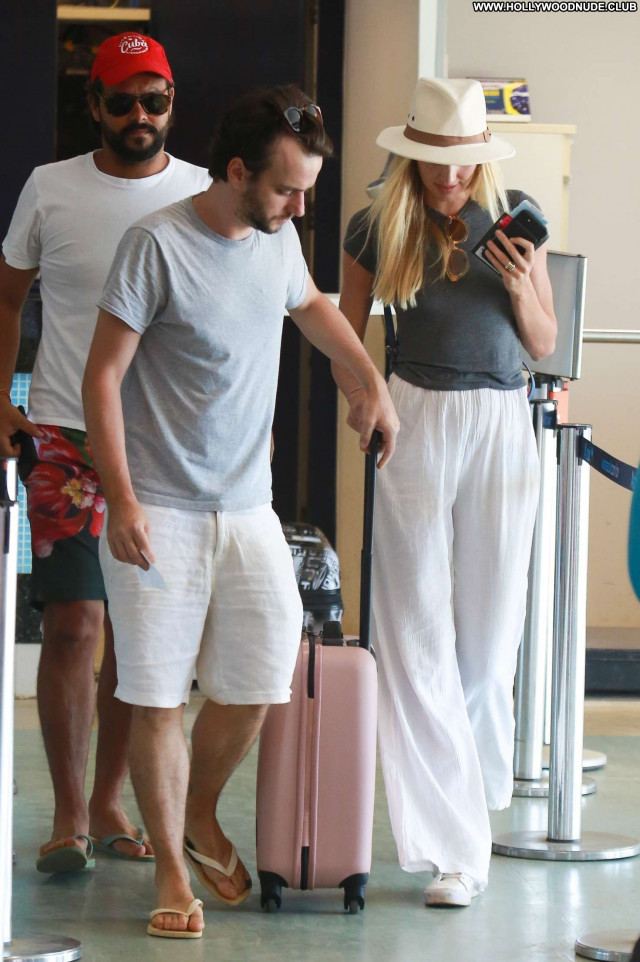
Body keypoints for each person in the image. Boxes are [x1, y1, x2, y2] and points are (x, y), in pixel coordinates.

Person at [81, 83, 398, 938]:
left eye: (306, 191)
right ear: (234, 172)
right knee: (156, 697)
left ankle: (197, 811)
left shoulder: (278, 238)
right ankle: (172, 875)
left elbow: (312, 307)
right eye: (288, 189)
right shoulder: (155, 246)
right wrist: (121, 499)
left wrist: (367, 382)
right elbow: (102, 377)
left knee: (261, 679)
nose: (301, 207)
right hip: (159, 509)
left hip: (248, 507)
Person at [335, 77, 557, 907]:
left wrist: (518, 281)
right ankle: (454, 850)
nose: (450, 176)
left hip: (501, 415)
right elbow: (342, 335)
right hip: (415, 414)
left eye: (463, 161)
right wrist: (367, 397)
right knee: (414, 631)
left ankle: (470, 797)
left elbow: (543, 342)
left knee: (490, 642)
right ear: (411, 156)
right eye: (435, 161)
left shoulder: (517, 216)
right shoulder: (376, 225)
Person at [0, 32, 211, 873]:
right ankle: (67, 816)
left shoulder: (201, 191)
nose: (138, 115)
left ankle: (109, 800)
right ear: (94, 105)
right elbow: (8, 296)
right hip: (63, 434)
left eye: (153, 100)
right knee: (72, 625)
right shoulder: (50, 188)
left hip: (162, 443)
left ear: (171, 103)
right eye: (121, 100)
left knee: (137, 636)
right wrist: (1, 399)